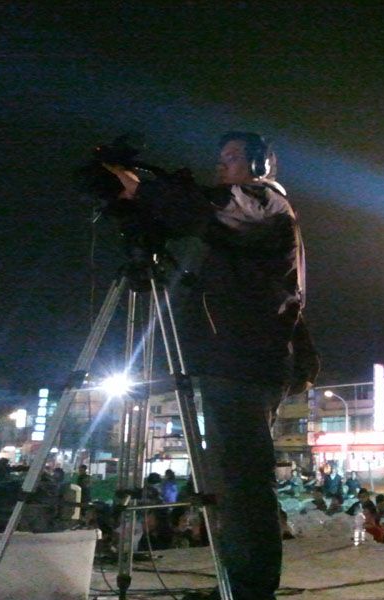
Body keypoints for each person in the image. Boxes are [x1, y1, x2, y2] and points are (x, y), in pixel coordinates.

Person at [105, 130, 314, 600]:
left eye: (232, 157)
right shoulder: (248, 213)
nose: (221, 166)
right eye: (220, 158)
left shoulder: (265, 204)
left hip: (245, 363)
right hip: (237, 360)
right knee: (231, 482)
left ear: (261, 165)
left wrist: (143, 189)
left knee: (243, 484)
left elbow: (207, 211)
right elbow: (200, 218)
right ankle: (236, 585)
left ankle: (250, 590)